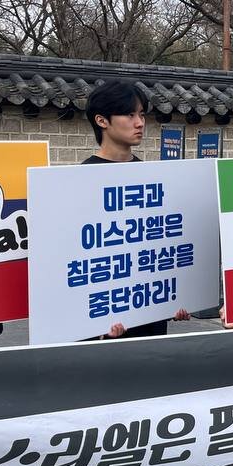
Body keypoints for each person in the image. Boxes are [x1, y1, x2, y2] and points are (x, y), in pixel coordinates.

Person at [83, 79, 188, 338]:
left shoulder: (154, 178)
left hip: (152, 325)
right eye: (129, 115)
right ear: (101, 120)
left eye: (141, 114)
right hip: (102, 328)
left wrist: (177, 300)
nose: (140, 123)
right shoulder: (79, 181)